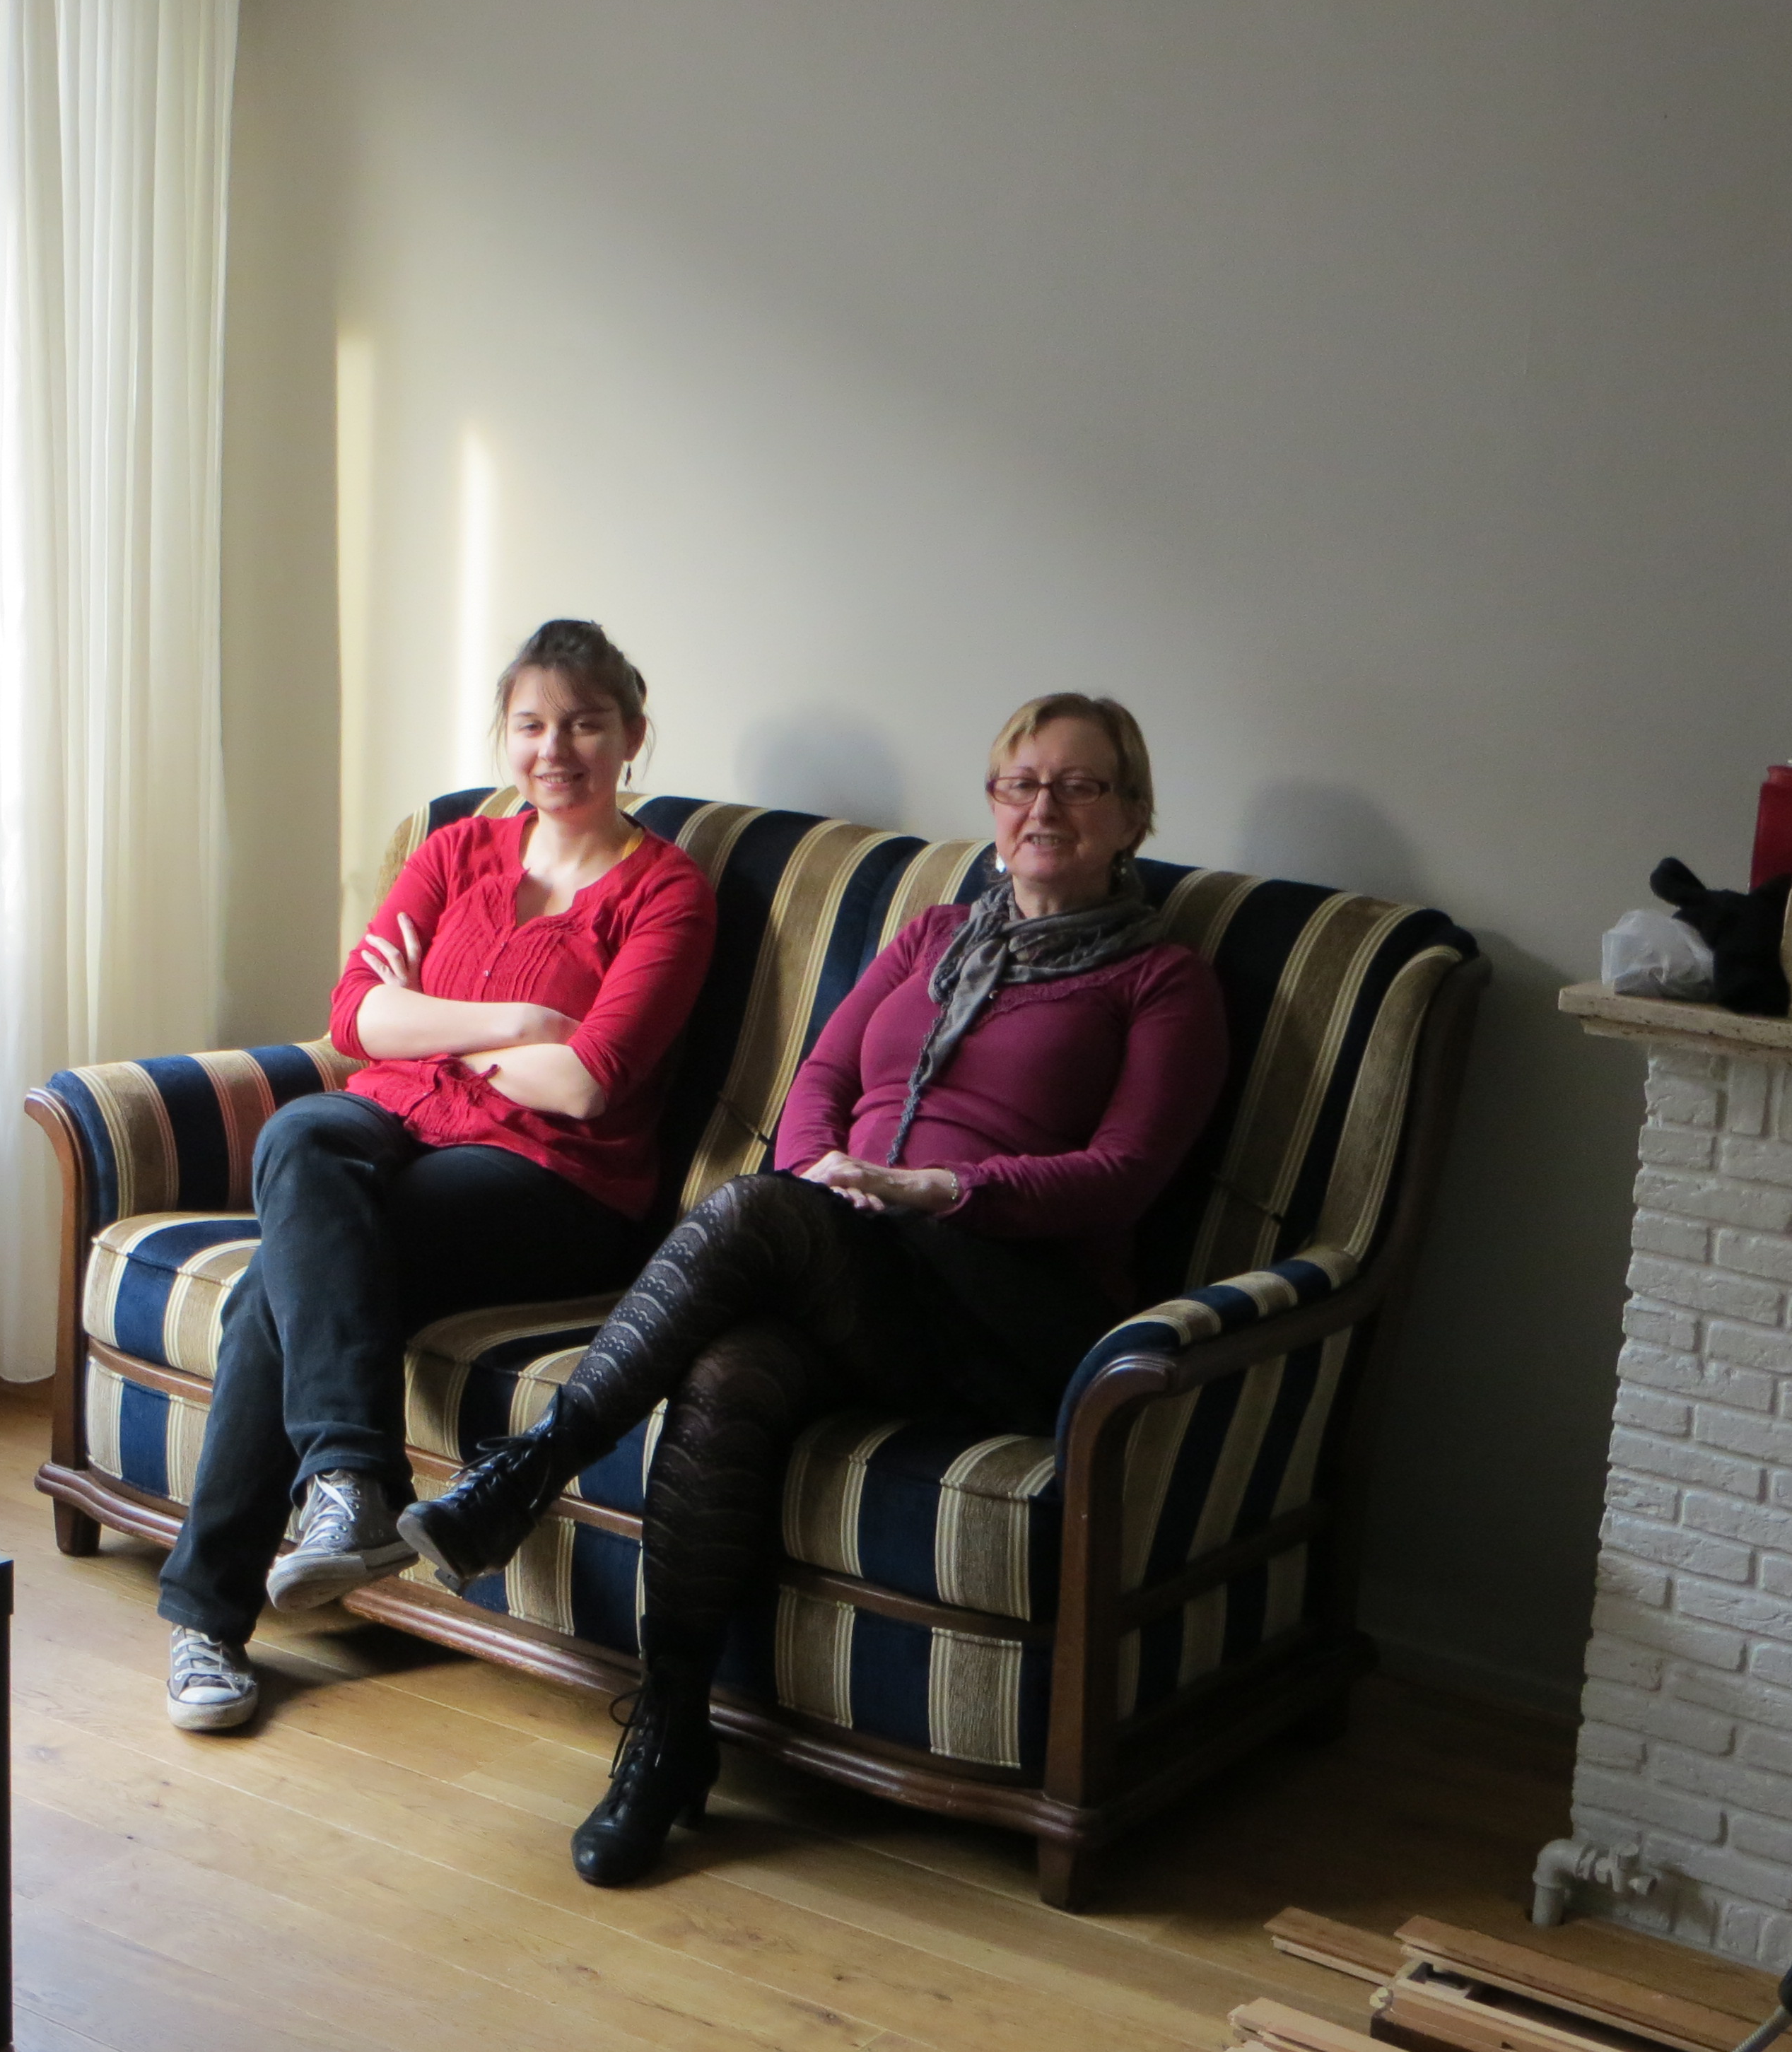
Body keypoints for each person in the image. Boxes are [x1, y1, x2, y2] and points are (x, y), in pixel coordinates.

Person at [397, 693, 1229, 1885]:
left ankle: (532, 1466)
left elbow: (1123, 1174)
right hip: (864, 1272)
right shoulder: (932, 936)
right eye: (1021, 783)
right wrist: (826, 1185)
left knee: (750, 1213)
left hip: (1016, 1312)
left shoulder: (1162, 980)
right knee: (731, 1374)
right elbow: (821, 1084)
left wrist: (938, 1189)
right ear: (994, 805)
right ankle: (669, 1735)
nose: (1044, 807)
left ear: (1133, 815)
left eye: (1080, 786)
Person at [158, 619, 718, 1735]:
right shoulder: (456, 848)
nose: (555, 750)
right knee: (301, 1135)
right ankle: (350, 1489)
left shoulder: (666, 892)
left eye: (585, 725)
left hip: (550, 1183)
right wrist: (518, 1021)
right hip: (394, 1128)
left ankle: (214, 1613)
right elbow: (353, 1019)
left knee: (279, 1286)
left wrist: (431, 1019)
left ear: (632, 736)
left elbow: (589, 1084)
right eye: (532, 724)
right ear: (505, 734)